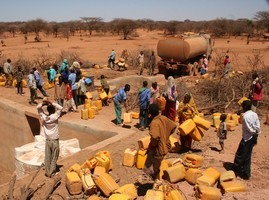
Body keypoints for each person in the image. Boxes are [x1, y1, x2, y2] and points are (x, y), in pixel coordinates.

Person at [143, 104, 177, 180]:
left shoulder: (154, 123)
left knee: (154, 168)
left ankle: (157, 183)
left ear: (150, 113)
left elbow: (155, 137)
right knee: (158, 165)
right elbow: (173, 126)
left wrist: (154, 144)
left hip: (158, 149)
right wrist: (165, 136)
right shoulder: (163, 118)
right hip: (165, 145)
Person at [233, 100, 260, 180]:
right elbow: (257, 125)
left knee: (239, 155)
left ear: (244, 107)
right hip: (254, 136)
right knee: (248, 155)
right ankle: (246, 173)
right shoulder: (254, 114)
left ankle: (235, 171)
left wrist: (253, 133)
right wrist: (256, 133)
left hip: (247, 138)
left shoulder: (245, 116)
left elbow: (249, 128)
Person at [37, 99, 63, 178]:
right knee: (54, 157)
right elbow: (61, 108)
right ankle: (52, 173)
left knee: (48, 156)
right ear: (54, 110)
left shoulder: (44, 117)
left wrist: (44, 103)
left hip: (48, 140)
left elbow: (38, 108)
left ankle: (47, 172)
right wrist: (51, 102)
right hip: (54, 139)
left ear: (48, 110)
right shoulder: (55, 116)